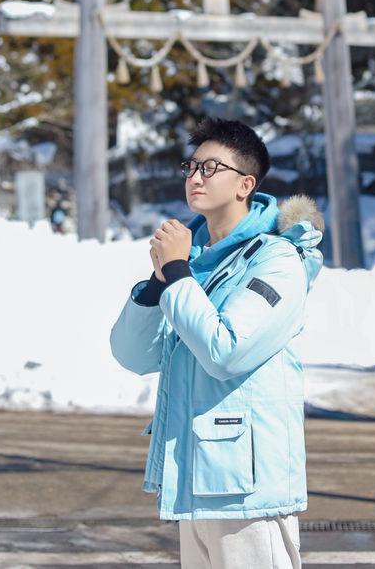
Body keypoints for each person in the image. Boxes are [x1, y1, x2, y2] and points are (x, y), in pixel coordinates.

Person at [110, 117, 323, 569]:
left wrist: (179, 275)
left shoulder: (278, 259)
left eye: (210, 167)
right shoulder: (198, 261)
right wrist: (158, 282)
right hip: (196, 479)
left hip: (248, 490)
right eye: (190, 166)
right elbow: (135, 356)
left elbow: (226, 350)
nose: (195, 177)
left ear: (246, 184)